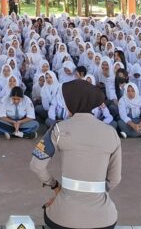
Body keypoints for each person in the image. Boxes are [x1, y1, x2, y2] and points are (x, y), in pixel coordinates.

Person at [30, 79, 122, 229]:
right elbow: (115, 179)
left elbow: (36, 166)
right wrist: (93, 193)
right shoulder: (111, 133)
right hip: (104, 220)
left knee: (52, 211)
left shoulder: (58, 129)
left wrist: (55, 187)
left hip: (64, 218)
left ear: (71, 102)